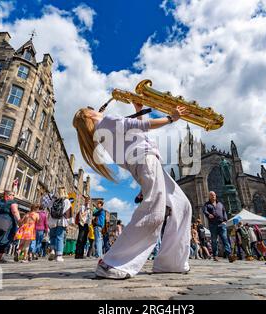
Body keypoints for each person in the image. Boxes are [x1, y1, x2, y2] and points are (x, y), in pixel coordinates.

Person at [73, 103, 191, 279]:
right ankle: (112, 262)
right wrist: (171, 118)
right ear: (89, 114)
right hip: (145, 160)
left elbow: (140, 134)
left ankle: (171, 262)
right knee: (154, 211)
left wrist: (138, 110)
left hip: (146, 160)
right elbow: (144, 126)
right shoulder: (107, 122)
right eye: (93, 109)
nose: (97, 109)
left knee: (183, 205)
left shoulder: (102, 131)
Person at [203, 191, 231, 261]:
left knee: (225, 239)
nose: (213, 196)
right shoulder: (207, 204)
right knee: (214, 241)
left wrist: (225, 220)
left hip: (221, 224)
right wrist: (208, 214)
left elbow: (224, 212)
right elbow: (204, 211)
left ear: (216, 196)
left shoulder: (220, 204)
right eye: (211, 195)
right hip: (213, 225)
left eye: (214, 195)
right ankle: (215, 255)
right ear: (209, 196)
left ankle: (229, 254)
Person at [48, 187, 72, 262]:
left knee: (52, 236)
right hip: (62, 221)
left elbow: (49, 208)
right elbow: (68, 213)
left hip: (53, 221)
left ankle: (52, 250)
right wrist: (68, 223)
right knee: (60, 237)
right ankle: (59, 255)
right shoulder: (67, 201)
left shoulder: (53, 200)